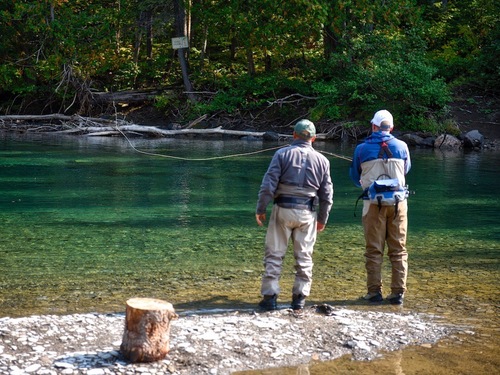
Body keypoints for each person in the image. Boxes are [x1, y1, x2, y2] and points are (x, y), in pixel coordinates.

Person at [255, 119, 334, 311]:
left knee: (274, 255)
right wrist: (323, 219)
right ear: (314, 139)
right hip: (308, 214)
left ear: (294, 135)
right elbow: (327, 195)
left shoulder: (281, 154)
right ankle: (299, 298)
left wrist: (260, 209)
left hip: (282, 209)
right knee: (304, 257)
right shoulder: (323, 161)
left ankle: (270, 297)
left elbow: (268, 185)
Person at [349, 110, 411, 305]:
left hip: (373, 204)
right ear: (391, 127)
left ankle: (374, 292)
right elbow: (407, 169)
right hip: (398, 204)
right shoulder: (402, 146)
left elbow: (354, 176)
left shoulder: (361, 149)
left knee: (374, 250)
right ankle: (398, 293)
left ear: (374, 126)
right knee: (398, 249)